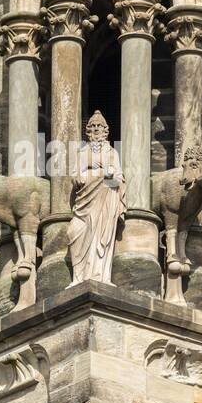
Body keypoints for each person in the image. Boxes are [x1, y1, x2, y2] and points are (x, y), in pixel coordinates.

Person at [68, 111, 127, 285]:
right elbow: (75, 176)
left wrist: (104, 176)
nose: (95, 131)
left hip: (105, 202)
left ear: (105, 131)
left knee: (101, 237)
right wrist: (81, 176)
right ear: (87, 132)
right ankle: (79, 277)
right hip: (84, 201)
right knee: (73, 232)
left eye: (99, 128)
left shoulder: (111, 153)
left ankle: (100, 275)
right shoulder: (82, 152)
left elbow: (118, 180)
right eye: (92, 128)